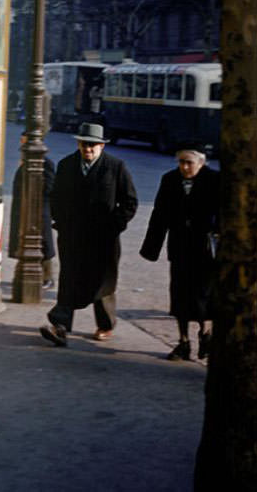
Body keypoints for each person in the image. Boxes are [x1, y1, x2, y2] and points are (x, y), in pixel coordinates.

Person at [40, 122, 138, 346]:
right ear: (78, 144)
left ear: (102, 146)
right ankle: (61, 325)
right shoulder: (66, 165)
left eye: (93, 145)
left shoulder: (116, 167)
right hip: (73, 235)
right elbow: (56, 197)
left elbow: (130, 202)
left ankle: (105, 324)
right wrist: (61, 222)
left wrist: (114, 226)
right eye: (85, 144)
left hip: (104, 238)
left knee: (102, 282)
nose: (88, 149)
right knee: (69, 279)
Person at [140, 141, 220, 362]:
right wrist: (151, 247)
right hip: (180, 248)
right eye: (181, 162)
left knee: (203, 295)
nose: (184, 167)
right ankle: (183, 342)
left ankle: (206, 334)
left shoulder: (215, 180)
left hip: (206, 250)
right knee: (179, 295)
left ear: (201, 162)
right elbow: (159, 215)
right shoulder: (170, 180)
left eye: (189, 162)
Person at [8, 133, 55, 288]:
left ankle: (47, 277)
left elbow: (50, 188)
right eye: (21, 142)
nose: (22, 146)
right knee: (24, 242)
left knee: (43, 244)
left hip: (39, 211)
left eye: (25, 142)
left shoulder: (45, 163)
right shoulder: (24, 162)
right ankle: (22, 273)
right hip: (24, 210)